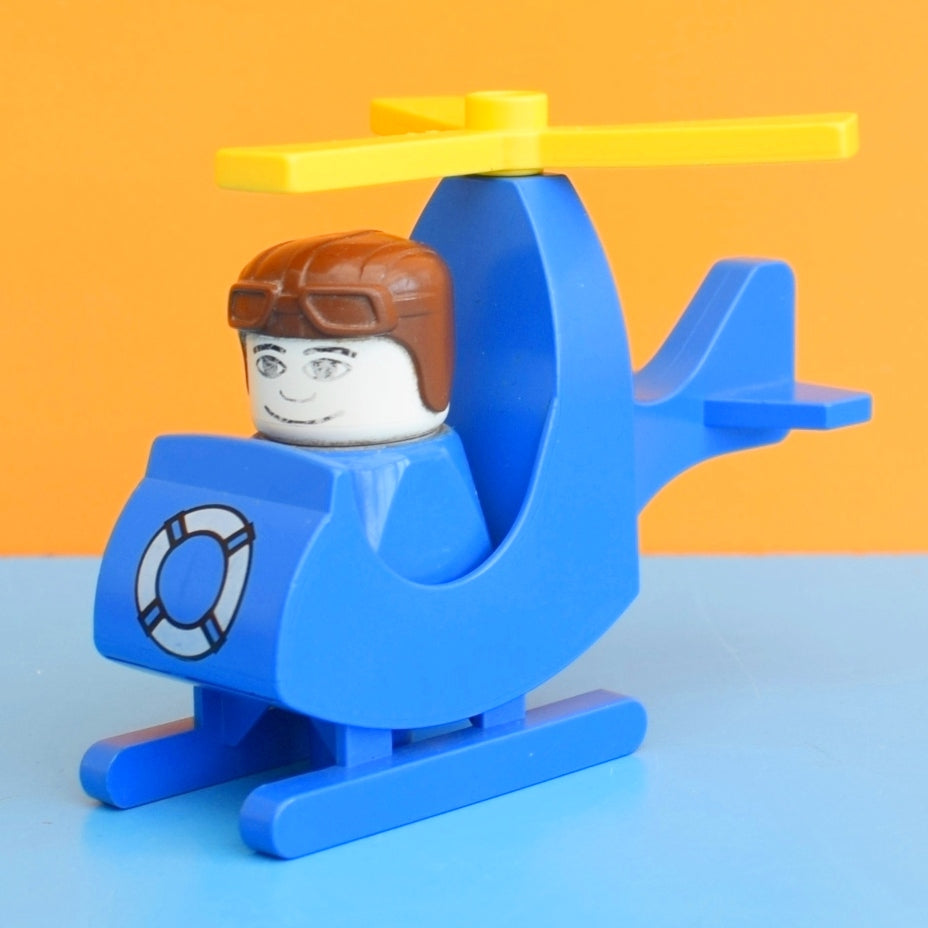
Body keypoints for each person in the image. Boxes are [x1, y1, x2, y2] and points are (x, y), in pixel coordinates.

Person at [228, 230, 491, 582]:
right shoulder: (261, 459)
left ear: (424, 363)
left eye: (326, 367)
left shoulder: (416, 471)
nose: (292, 392)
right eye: (270, 364)